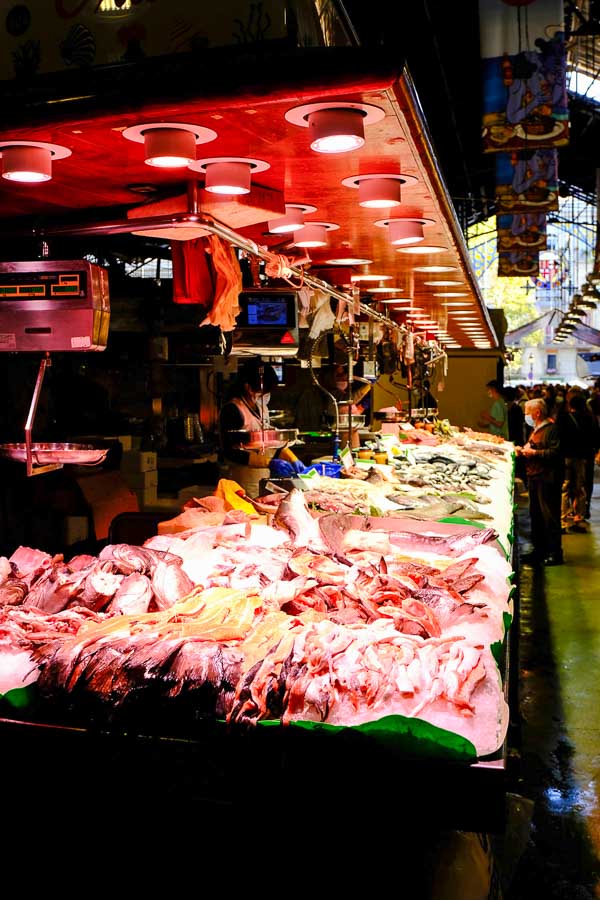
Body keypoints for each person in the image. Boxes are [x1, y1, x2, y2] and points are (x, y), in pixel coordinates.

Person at [218, 359, 280, 497]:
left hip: (263, 477)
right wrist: (268, 462)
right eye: (263, 391)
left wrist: (293, 460)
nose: (265, 395)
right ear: (248, 387)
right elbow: (230, 452)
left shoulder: (261, 407)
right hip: (242, 481)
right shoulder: (233, 409)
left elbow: (269, 437)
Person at [516, 397, 563, 566]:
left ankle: (554, 552)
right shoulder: (536, 429)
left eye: (527, 413)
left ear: (537, 413)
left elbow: (554, 453)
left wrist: (534, 453)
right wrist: (523, 451)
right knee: (536, 516)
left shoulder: (551, 429)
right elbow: (534, 447)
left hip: (547, 478)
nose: (526, 415)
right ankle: (539, 550)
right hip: (535, 477)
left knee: (549, 516)